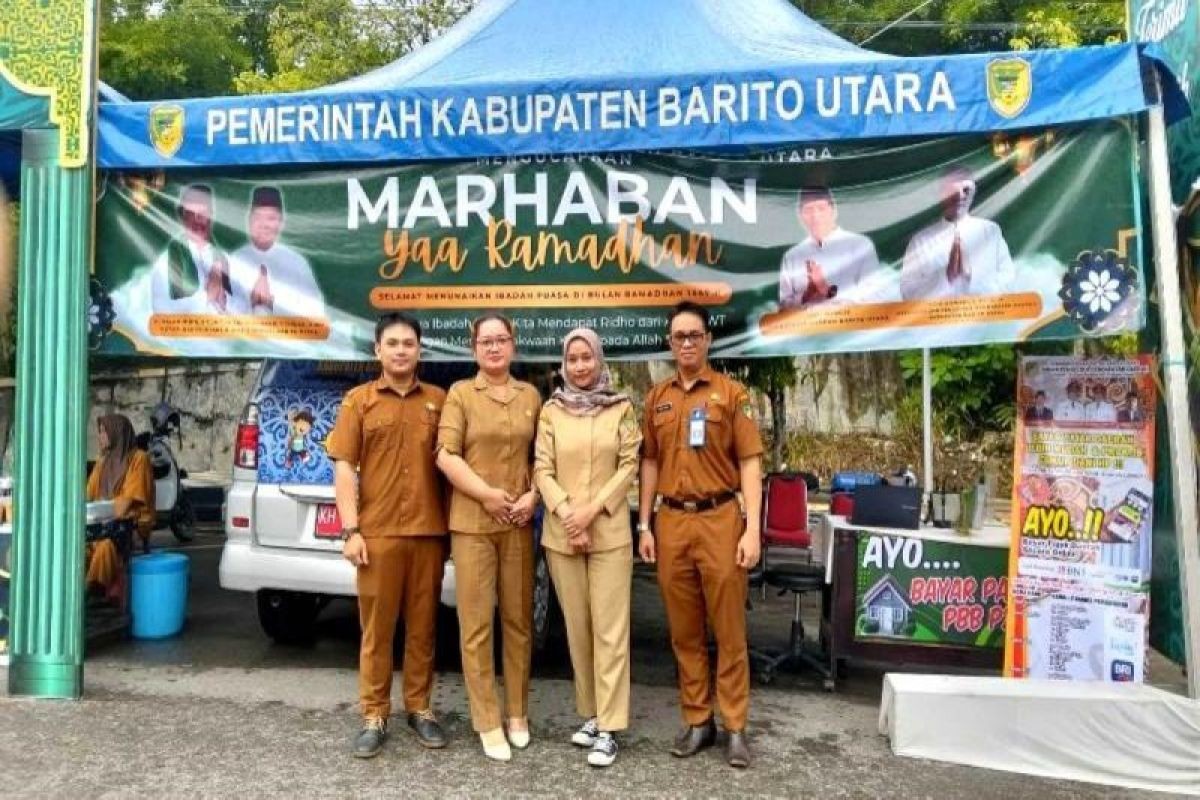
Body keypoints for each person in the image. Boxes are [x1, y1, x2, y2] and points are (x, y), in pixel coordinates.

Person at [637, 301, 764, 769]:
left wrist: (752, 530)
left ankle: (735, 726)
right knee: (684, 630)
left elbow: (750, 462)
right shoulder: (657, 398)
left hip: (720, 519)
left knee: (729, 630)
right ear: (670, 344)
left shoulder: (731, 394)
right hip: (671, 522)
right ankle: (697, 720)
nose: (687, 343)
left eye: (694, 335)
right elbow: (649, 462)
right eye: (679, 336)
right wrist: (644, 524)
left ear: (708, 340)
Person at [325, 312, 449, 759]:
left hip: (428, 533)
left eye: (408, 343)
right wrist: (350, 530)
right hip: (376, 536)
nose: (401, 350)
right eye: (392, 343)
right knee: (376, 630)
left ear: (419, 350)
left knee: (423, 627)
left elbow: (451, 467)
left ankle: (419, 708)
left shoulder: (439, 401)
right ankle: (374, 714)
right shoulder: (358, 402)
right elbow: (344, 467)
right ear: (378, 350)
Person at [436, 313, 542, 762]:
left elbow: (543, 457)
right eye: (486, 341)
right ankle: (486, 719)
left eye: (501, 340)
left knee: (518, 621)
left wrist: (534, 495)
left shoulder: (531, 395)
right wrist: (486, 495)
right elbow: (446, 455)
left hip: (517, 521)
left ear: (513, 345)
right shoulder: (460, 394)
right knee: (477, 625)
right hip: (474, 524)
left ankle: (517, 712)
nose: (494, 347)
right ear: (474, 348)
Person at [533, 327, 641, 768]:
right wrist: (567, 513)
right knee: (578, 630)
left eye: (587, 357)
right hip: (562, 534)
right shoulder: (551, 411)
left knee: (610, 630)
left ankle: (611, 728)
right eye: (573, 359)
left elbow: (629, 464)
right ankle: (593, 715)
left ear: (599, 360)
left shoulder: (622, 408)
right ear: (564, 364)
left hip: (609, 533)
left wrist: (591, 511)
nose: (580, 366)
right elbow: (541, 468)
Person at [899, 166, 1015, 300]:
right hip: (939, 313)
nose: (960, 196)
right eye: (953, 191)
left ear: (974, 192)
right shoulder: (920, 241)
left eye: (966, 190)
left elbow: (1008, 281)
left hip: (985, 312)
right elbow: (907, 292)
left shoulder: (991, 232)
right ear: (941, 194)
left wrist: (971, 278)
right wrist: (944, 278)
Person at [778, 186, 896, 309]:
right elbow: (784, 307)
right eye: (808, 210)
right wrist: (806, 295)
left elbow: (875, 297)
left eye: (821, 208)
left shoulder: (860, 245)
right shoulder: (791, 256)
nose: (815, 216)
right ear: (800, 215)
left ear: (834, 211)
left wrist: (828, 291)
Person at [85, 415, 154, 603]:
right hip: (101, 525)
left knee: (106, 547)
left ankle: (92, 591)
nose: (100, 436)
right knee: (77, 548)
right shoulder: (103, 463)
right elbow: (88, 496)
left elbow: (126, 505)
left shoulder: (139, 459)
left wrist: (105, 508)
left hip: (129, 527)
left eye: (104, 432)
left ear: (117, 433)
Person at [230, 186, 326, 319]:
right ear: (249, 221)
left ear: (281, 222)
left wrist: (274, 307)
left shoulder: (297, 264)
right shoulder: (234, 261)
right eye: (258, 217)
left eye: (271, 218)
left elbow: (316, 313)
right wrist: (254, 306)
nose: (264, 225)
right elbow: (220, 312)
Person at [150, 184, 239, 314]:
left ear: (211, 216)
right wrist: (207, 296)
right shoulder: (165, 260)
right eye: (190, 214)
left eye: (203, 213)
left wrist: (223, 298)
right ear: (182, 217)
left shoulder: (225, 259)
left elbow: (241, 305)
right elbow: (160, 309)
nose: (197, 221)